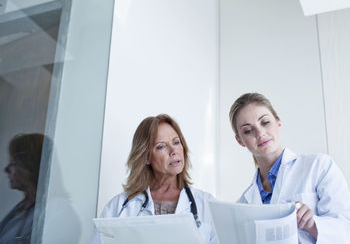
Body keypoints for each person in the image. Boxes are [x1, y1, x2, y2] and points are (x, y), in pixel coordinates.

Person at [229, 92, 350, 243]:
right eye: (248, 131)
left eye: (265, 122)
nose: (260, 133)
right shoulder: (243, 205)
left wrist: (312, 224)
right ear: (240, 140)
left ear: (278, 122)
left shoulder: (319, 166)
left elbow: (346, 231)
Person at [91, 114, 217, 244]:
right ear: (146, 157)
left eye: (176, 142)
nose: (174, 150)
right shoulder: (117, 207)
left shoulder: (207, 205)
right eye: (161, 146)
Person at [0, 133, 47, 244]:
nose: (6, 169)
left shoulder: (50, 212)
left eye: (13, 163)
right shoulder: (23, 206)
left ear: (29, 166)